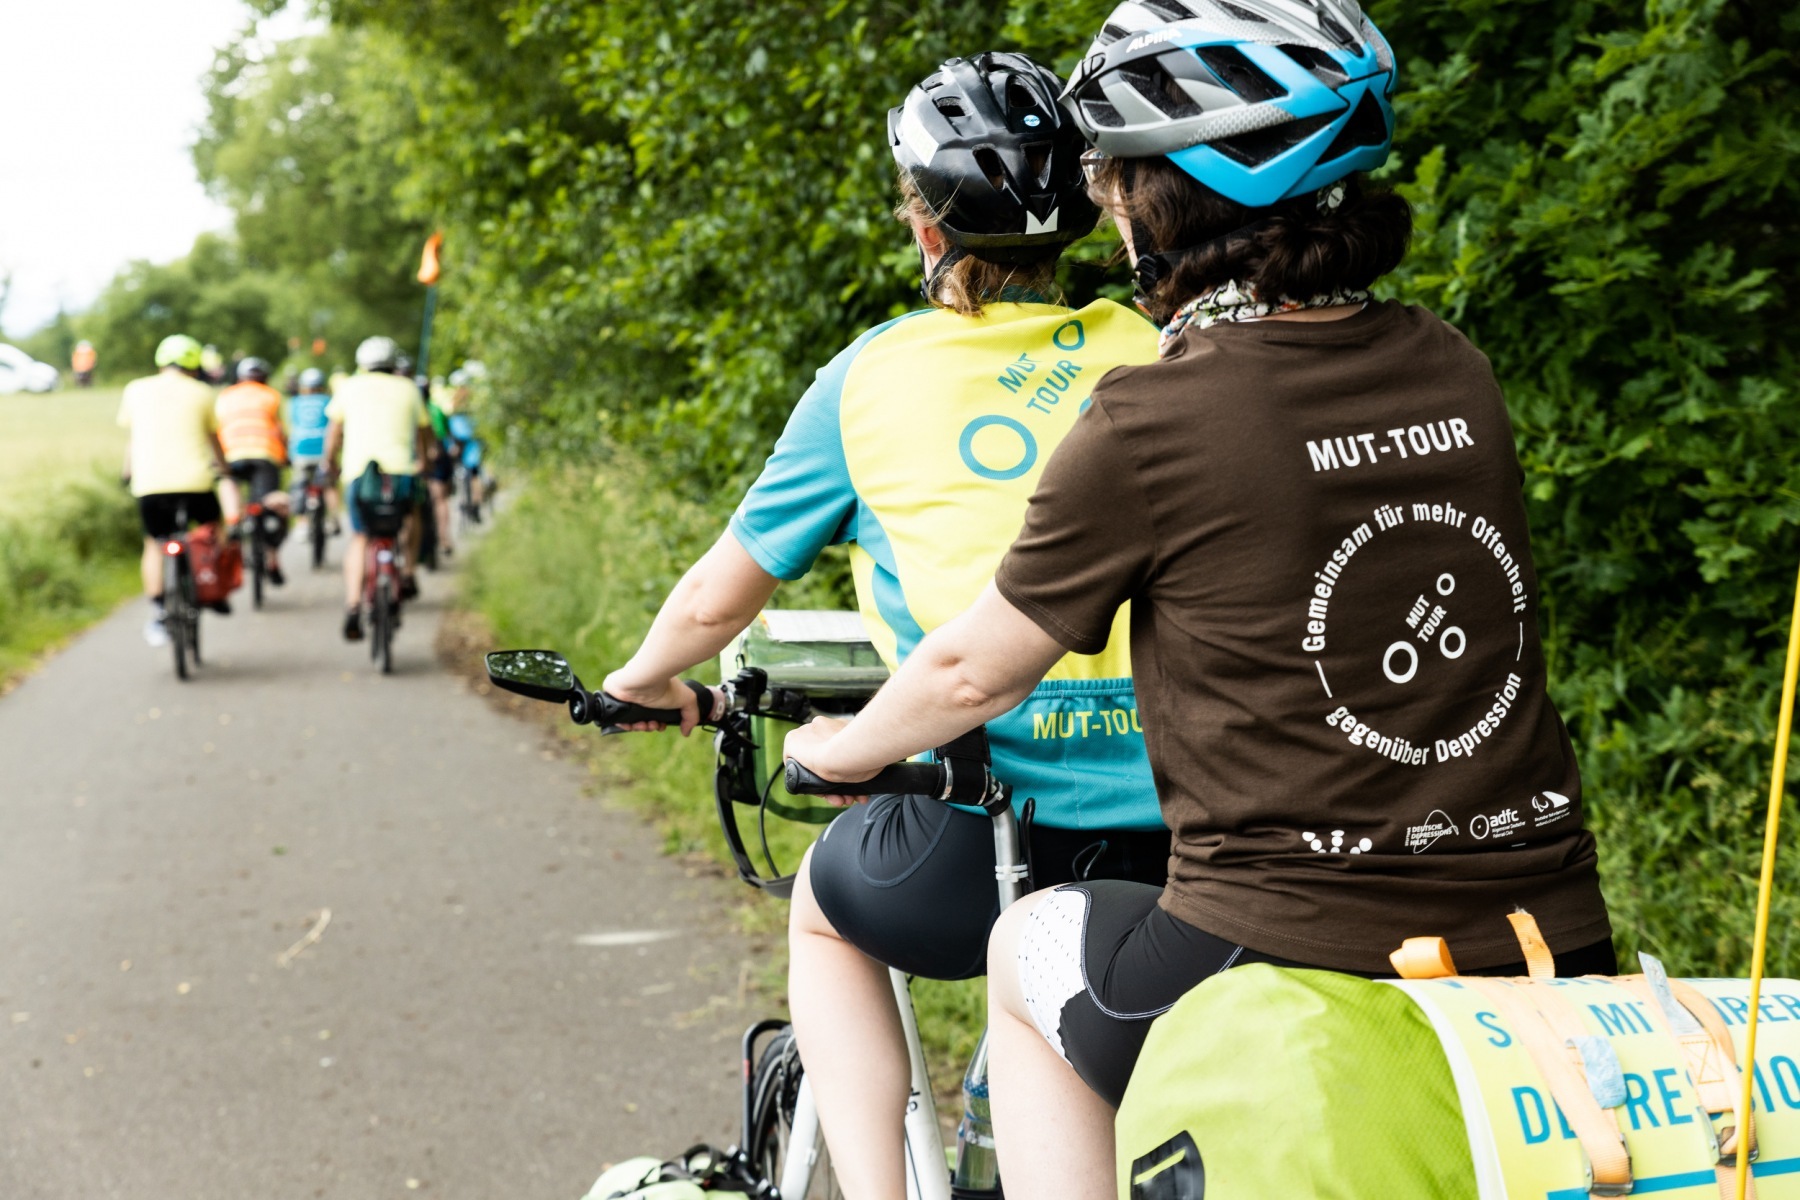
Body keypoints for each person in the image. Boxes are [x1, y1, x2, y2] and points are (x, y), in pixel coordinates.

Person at [784, 4, 1614, 1196]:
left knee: (1026, 951)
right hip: (1551, 938)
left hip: (1282, 938)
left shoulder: (1154, 417)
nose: (1108, 204)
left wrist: (843, 750)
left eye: (1117, 178)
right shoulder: (1452, 363)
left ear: (1171, 198)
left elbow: (974, 670)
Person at [599, 52, 1166, 1200]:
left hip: (985, 843)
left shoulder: (869, 378)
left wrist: (643, 680)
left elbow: (717, 599)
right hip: (1182, 837)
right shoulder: (1160, 347)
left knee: (824, 915)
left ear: (926, 226)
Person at [118, 334, 232, 645]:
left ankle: (158, 611)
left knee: (154, 544)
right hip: (196, 483)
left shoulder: (135, 389)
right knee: (213, 530)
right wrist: (225, 469)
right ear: (194, 364)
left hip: (150, 485)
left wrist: (127, 472)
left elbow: (134, 438)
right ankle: (216, 588)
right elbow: (213, 439)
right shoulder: (203, 392)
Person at [323, 335, 432, 640]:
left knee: (360, 537)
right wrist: (425, 461)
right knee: (411, 517)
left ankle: (353, 605)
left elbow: (334, 432)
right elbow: (423, 434)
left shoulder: (348, 387)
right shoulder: (409, 388)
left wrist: (329, 463)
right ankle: (408, 572)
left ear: (362, 363)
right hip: (400, 473)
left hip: (360, 475)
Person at [216, 356, 290, 586]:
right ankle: (273, 560)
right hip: (265, 454)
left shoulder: (225, 396)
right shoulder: (271, 395)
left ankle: (233, 519)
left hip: (232, 454)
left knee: (227, 480)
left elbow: (218, 426)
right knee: (272, 506)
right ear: (264, 378)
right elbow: (281, 431)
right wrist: (286, 456)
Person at [287, 367, 339, 531]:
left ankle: (301, 523)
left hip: (300, 451)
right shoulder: (328, 401)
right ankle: (334, 519)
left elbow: (292, 426)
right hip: (323, 451)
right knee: (329, 485)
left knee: (299, 485)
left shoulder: (295, 402)